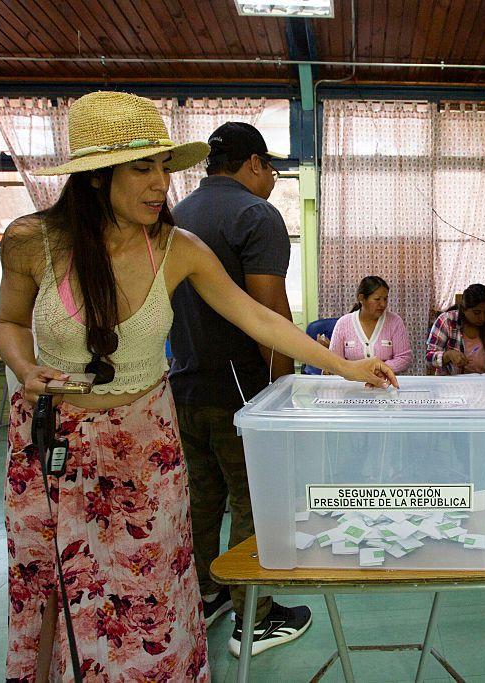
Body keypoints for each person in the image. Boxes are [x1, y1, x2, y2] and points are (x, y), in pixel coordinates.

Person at [0, 91, 396, 681]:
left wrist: (347, 367)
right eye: (142, 168)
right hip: (53, 447)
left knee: (148, 592)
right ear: (98, 177)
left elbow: (260, 318)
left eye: (164, 167)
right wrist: (26, 369)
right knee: (51, 586)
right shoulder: (33, 241)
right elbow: (6, 323)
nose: (161, 184)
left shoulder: (178, 249)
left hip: (145, 445)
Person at [168, 121, 308, 657]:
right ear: (253, 163)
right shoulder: (256, 214)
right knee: (255, 498)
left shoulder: (177, 215)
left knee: (202, 497)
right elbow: (268, 310)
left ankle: (204, 594)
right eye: (271, 168)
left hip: (182, 384)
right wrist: (284, 387)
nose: (272, 178)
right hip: (241, 392)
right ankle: (256, 614)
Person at [328, 276, 413, 374]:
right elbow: (335, 361)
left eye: (385, 299)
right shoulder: (343, 324)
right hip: (351, 384)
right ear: (361, 298)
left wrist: (381, 369)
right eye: (377, 299)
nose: (383, 304)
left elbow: (404, 358)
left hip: (385, 384)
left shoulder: (395, 322)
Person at [426, 283, 485, 375]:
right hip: (453, 383)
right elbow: (429, 358)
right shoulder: (447, 321)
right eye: (476, 312)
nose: (482, 317)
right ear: (464, 309)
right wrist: (448, 355)